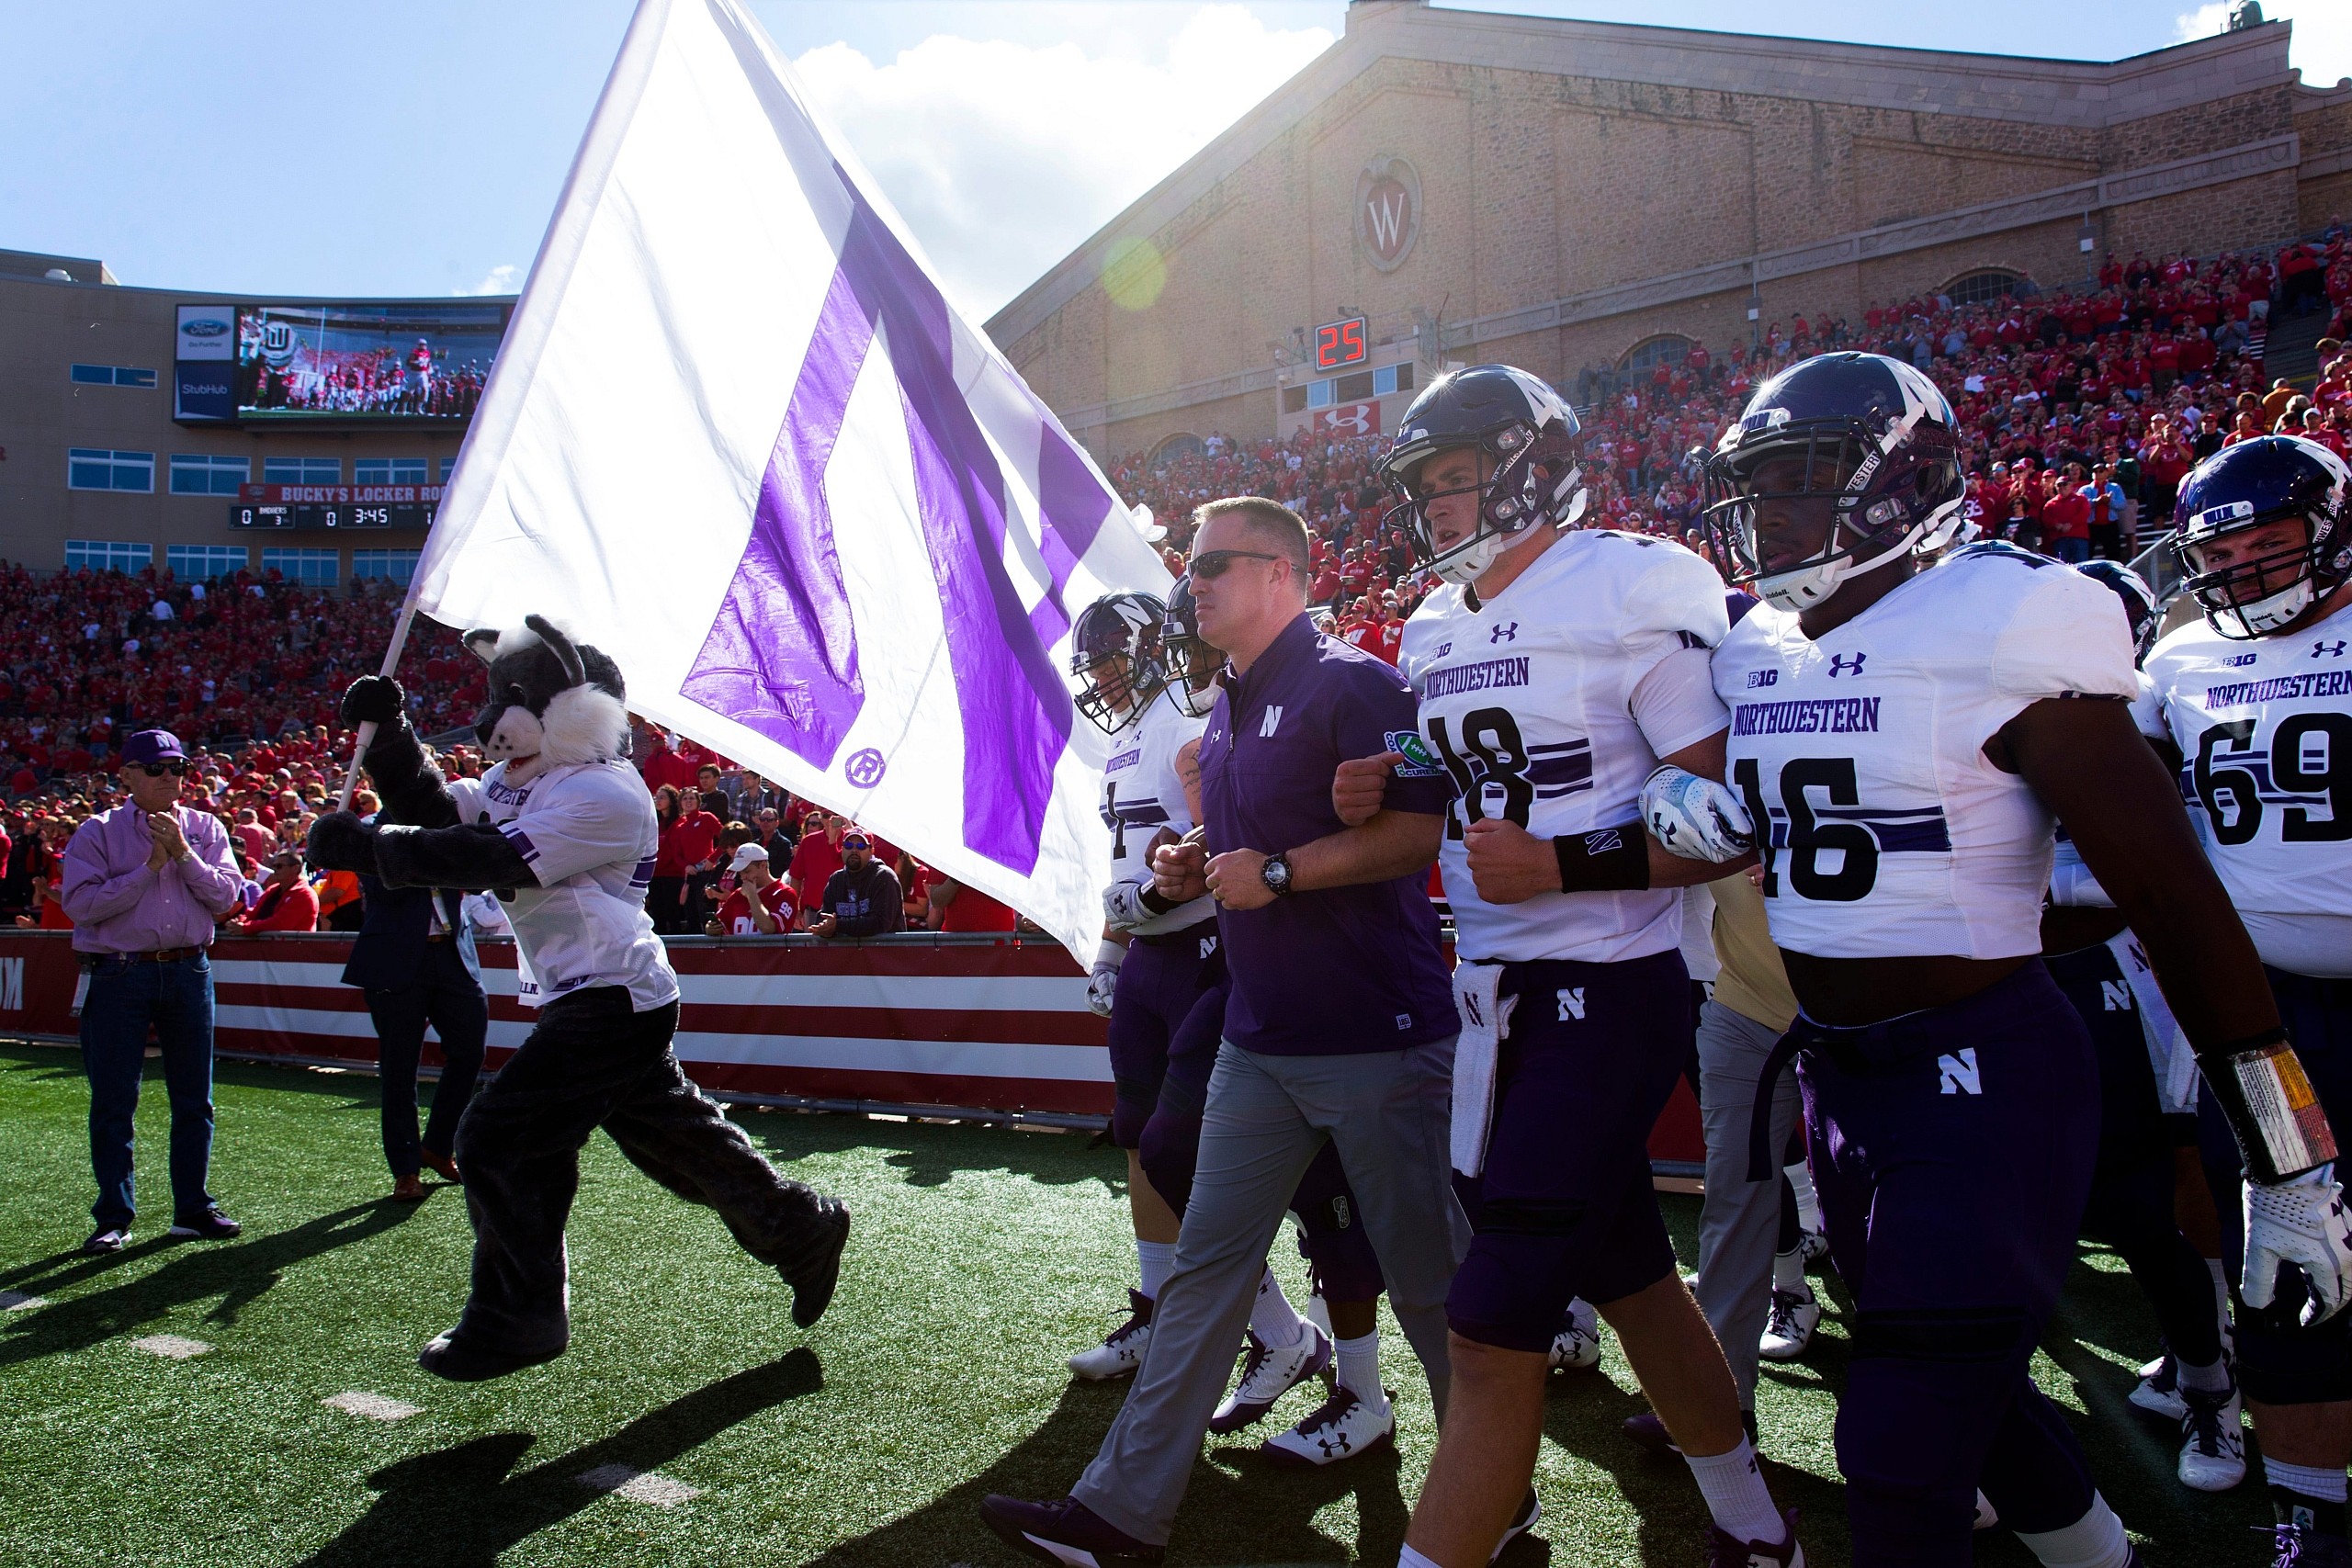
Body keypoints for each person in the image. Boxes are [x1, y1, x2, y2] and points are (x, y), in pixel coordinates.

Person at [1705, 351, 2348, 1566]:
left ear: (1912, 481)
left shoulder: (2006, 608)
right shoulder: (1757, 644)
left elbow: (2170, 888)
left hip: (1982, 1070)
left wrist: (2289, 1152)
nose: (1775, 509)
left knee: (1897, 1440)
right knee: (1979, 1403)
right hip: (1843, 1075)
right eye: (1759, 482)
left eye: (1808, 476)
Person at [1357, 365, 1796, 1567]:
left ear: (1534, 460)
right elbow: (1468, 769)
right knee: (1633, 1272)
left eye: (1459, 476)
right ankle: (1759, 1530)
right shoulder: (1435, 618)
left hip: (1610, 985)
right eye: (1427, 484)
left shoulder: (1633, 579)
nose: (1440, 504)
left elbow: (1729, 816)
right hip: (1498, 1001)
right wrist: (1391, 781)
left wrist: (1564, 866)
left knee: (1495, 1319)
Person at [982, 496, 1468, 1565]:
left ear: (1284, 574)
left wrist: (1283, 871)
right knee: (1203, 1274)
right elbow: (1258, 835)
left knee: (1432, 1285)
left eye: (1213, 565)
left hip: (1375, 1036)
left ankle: (1494, 1494)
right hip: (1260, 1035)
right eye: (1189, 567)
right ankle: (1118, 1514)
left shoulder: (1355, 681)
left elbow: (1415, 830)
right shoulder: (1235, 703)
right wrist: (1196, 855)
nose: (1189, 583)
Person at [305, 625, 851, 1381]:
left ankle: (519, 1313)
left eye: (523, 703)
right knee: (680, 1149)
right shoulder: (526, 774)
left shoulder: (607, 789)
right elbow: (441, 816)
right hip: (594, 994)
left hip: (612, 996)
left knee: (498, 1136)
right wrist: (393, 738)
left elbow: (493, 859)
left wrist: (369, 847)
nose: (501, 728)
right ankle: (799, 1227)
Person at [2138, 434, 2352, 1563]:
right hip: (2263, 1026)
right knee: (2286, 1263)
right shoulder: (2179, 663)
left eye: (2273, 546)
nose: (2247, 573)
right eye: (2225, 552)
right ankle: (2311, 1513)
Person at [59, 728, 245, 1254]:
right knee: (116, 1099)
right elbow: (82, 906)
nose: (171, 777)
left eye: (179, 768)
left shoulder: (204, 828)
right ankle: (113, 1216)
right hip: (119, 971)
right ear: (128, 776)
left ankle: (193, 1208)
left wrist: (183, 853)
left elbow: (228, 898)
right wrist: (150, 869)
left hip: (189, 969)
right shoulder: (96, 832)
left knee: (196, 1099)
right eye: (158, 768)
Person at [342, 856, 487, 1202]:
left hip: (454, 954)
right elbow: (385, 889)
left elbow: (479, 880)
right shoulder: (378, 833)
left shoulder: (450, 824)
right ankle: (406, 1169)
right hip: (395, 958)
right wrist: (432, 852)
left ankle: (437, 1147)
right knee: (399, 1066)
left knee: (469, 1052)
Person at [809, 829, 902, 939]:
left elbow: (880, 923)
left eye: (861, 846)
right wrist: (825, 927)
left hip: (882, 953)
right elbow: (823, 916)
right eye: (848, 845)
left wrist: (837, 926)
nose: (854, 850)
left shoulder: (883, 876)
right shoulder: (836, 879)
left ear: (871, 850)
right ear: (842, 849)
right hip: (845, 954)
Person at [707, 841, 796, 936]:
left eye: (747, 871)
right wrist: (711, 928)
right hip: (740, 951)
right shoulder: (738, 895)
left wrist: (752, 895)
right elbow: (719, 923)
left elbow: (768, 928)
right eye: (740, 873)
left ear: (763, 865)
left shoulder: (784, 893)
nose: (743, 877)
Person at [233, 847, 320, 932]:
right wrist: (240, 921)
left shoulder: (304, 894)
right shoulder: (272, 890)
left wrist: (246, 927)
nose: (274, 870)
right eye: (273, 866)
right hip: (269, 944)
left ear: (295, 868)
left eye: (279, 866)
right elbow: (254, 912)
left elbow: (280, 924)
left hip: (294, 945)